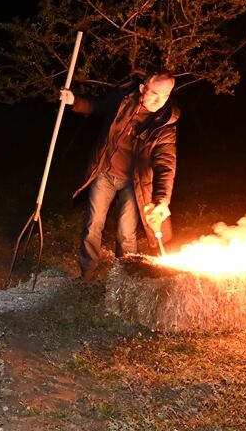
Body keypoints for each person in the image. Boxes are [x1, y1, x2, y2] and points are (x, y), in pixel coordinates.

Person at [59, 71, 178, 281]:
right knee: (93, 224)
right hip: (105, 172)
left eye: (166, 95)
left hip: (134, 183)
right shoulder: (123, 100)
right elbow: (98, 107)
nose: (159, 100)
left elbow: (166, 165)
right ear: (142, 88)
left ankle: (124, 280)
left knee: (126, 232)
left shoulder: (164, 125)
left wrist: (162, 200)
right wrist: (74, 101)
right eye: (155, 93)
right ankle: (86, 275)